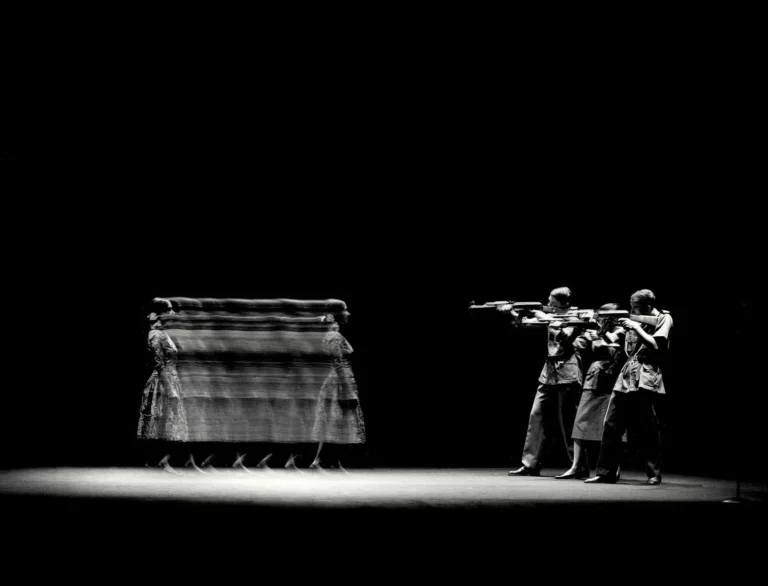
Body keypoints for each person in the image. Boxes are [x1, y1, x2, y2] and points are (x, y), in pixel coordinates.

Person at [585, 289, 672, 485]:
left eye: (636, 308)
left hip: (646, 374)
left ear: (648, 307)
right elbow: (612, 341)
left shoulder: (663, 318)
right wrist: (602, 326)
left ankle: (654, 473)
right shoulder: (634, 320)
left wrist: (635, 326)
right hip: (626, 375)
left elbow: (656, 344)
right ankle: (605, 472)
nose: (632, 311)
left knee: (647, 426)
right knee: (611, 423)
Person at [508, 287, 585, 477]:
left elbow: (566, 337)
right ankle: (530, 464)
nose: (548, 303)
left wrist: (548, 317)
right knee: (537, 416)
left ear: (563, 302)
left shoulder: (576, 315)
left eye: (552, 301)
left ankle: (578, 467)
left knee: (568, 420)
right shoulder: (550, 315)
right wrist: (512, 312)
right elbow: (525, 324)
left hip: (567, 370)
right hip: (548, 372)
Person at [555, 304, 626, 479]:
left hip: (613, 377)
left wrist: (601, 334)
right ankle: (576, 466)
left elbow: (617, 345)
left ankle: (613, 467)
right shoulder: (594, 330)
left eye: (605, 317)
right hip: (594, 377)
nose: (602, 319)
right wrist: (567, 330)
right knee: (581, 421)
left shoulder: (622, 329)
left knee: (612, 426)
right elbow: (576, 345)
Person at [309, 305, 366, 471]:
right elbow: (338, 362)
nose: (348, 313)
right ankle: (319, 460)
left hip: (340, 380)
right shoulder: (334, 336)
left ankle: (329, 461)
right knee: (337, 420)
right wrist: (347, 388)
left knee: (337, 420)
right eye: (344, 311)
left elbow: (346, 354)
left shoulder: (335, 335)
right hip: (339, 381)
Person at [136, 298, 190, 473]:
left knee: (170, 420)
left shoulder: (165, 333)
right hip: (163, 381)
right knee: (163, 419)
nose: (173, 313)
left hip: (171, 378)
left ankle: (162, 460)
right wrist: (170, 389)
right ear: (160, 313)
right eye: (169, 310)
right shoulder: (156, 334)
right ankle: (159, 460)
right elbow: (158, 365)